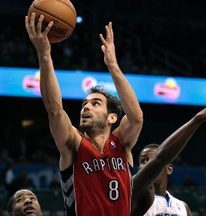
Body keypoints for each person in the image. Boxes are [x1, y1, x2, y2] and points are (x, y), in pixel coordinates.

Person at [25, 14, 143, 216]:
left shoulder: (122, 142)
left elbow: (136, 117)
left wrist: (113, 65)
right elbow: (54, 111)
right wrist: (44, 55)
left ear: (112, 118)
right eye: (84, 104)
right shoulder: (74, 143)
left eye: (95, 103)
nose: (85, 108)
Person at [131, 98, 206, 216]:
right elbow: (160, 160)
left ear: (169, 168)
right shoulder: (133, 193)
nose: (147, 164)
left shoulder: (182, 207)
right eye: (143, 160)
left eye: (150, 159)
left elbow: (161, 159)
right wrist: (198, 119)